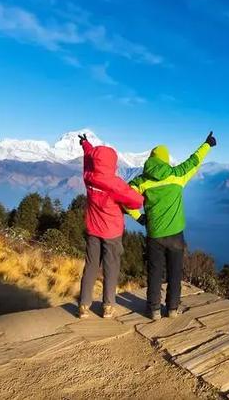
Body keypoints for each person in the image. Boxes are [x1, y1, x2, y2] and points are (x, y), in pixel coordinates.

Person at [126, 132, 217, 320]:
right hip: (175, 234)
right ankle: (173, 309)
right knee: (175, 273)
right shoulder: (178, 175)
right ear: (166, 160)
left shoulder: (141, 181)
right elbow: (194, 161)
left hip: (155, 235)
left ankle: (153, 310)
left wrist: (139, 218)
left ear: (150, 159)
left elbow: (125, 199)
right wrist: (207, 144)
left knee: (155, 272)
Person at [78, 133, 144, 319]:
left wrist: (85, 144)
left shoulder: (88, 177)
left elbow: (89, 159)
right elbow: (136, 201)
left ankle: (83, 305)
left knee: (90, 266)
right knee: (111, 267)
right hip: (112, 233)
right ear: (113, 163)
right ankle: (107, 306)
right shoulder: (115, 185)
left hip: (92, 229)